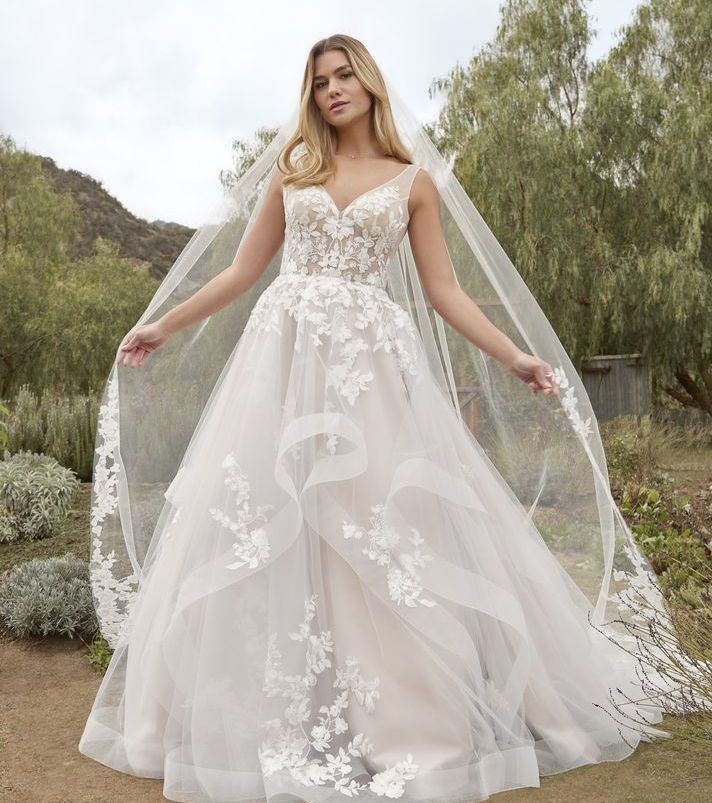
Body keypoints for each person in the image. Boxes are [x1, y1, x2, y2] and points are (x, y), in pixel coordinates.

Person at [78, 33, 670, 803]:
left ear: (370, 84)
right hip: (284, 370)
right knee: (266, 519)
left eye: (345, 74)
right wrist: (164, 323)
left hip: (370, 381)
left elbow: (446, 293)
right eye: (320, 80)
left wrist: (515, 356)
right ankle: (261, 711)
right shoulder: (295, 174)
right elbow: (240, 270)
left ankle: (408, 721)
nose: (332, 90)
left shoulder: (413, 182)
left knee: (382, 526)